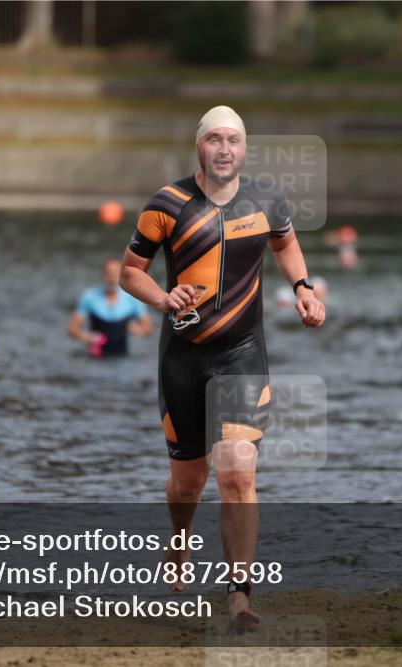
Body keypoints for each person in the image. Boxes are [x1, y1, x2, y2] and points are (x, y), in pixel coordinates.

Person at [119, 105, 325, 630]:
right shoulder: (167, 204)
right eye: (215, 140)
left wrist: (302, 287)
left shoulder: (266, 199)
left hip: (241, 355)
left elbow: (286, 241)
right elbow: (129, 273)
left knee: (236, 468)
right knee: (188, 483)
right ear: (200, 147)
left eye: (234, 140)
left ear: (245, 148)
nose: (225, 149)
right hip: (181, 358)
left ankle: (239, 594)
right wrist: (164, 298)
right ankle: (182, 544)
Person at [67, 258, 153, 357]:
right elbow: (72, 329)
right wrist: (86, 337)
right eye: (109, 273)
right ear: (103, 275)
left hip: (122, 357)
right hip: (96, 355)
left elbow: (148, 328)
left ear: (121, 275)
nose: (112, 278)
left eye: (116, 273)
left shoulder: (132, 298)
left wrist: (137, 329)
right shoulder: (89, 296)